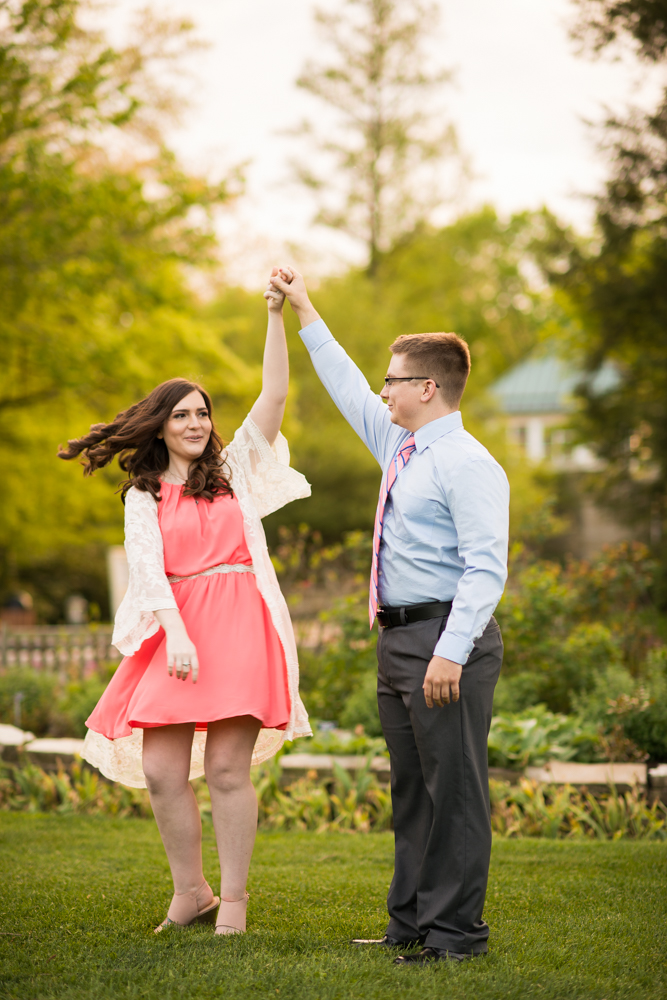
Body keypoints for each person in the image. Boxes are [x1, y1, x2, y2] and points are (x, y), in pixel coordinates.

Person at [269, 267, 509, 965]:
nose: (382, 390)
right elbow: (344, 381)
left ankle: (455, 936)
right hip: (397, 640)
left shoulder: (466, 463)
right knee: (413, 793)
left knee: (454, 792)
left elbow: (485, 567)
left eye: (393, 380)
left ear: (425, 388)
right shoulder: (399, 444)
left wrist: (451, 651)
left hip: (443, 642)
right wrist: (305, 307)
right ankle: (410, 923)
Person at [58, 274, 311, 936]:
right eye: (182, 415)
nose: (196, 423)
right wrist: (175, 633)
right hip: (177, 634)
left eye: (202, 412)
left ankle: (233, 903)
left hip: (239, 629)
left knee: (227, 770)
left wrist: (276, 315)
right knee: (162, 770)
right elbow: (147, 570)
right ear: (162, 429)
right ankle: (189, 891)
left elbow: (276, 393)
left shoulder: (234, 473)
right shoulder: (143, 496)